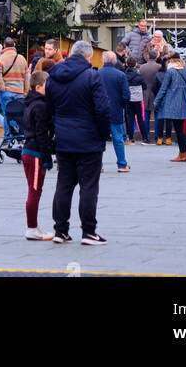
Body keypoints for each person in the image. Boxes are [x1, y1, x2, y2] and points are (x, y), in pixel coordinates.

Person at [45, 40, 111, 245]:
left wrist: (54, 131)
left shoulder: (53, 77)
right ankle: (89, 231)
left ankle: (60, 230)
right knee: (88, 186)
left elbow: (48, 109)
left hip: (64, 138)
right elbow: (102, 109)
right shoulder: (92, 76)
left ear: (70, 54)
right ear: (89, 57)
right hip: (88, 138)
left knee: (64, 184)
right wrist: (103, 134)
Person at [22, 70, 53, 240]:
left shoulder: (30, 103)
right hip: (34, 152)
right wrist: (47, 157)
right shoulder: (40, 105)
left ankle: (34, 227)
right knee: (34, 191)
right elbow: (41, 133)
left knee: (35, 190)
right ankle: (32, 228)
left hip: (30, 150)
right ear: (39, 86)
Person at [153, 53, 186, 162]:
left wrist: (156, 101)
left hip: (173, 103)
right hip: (184, 102)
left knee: (178, 130)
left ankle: (183, 154)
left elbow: (164, 88)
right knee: (179, 129)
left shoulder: (170, 72)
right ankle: (182, 153)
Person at [98, 51, 131, 171]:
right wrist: (120, 105)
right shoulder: (120, 75)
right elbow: (126, 95)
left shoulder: (96, 74)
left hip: (99, 111)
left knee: (99, 138)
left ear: (103, 60)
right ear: (115, 61)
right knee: (118, 138)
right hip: (116, 110)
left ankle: (98, 165)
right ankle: (122, 164)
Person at [0, 36, 28, 133]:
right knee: (20, 115)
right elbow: (27, 77)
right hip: (19, 92)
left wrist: (2, 88)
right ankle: (20, 135)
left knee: (7, 115)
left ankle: (8, 137)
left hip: (7, 92)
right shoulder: (22, 59)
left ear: (4, 46)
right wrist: (25, 91)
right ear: (14, 45)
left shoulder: (0, 59)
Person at [124, 56, 147, 144]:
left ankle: (130, 137)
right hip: (138, 99)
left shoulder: (124, 75)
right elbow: (144, 86)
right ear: (135, 64)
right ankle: (144, 137)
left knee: (130, 118)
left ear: (127, 64)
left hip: (128, 99)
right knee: (140, 118)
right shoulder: (139, 75)